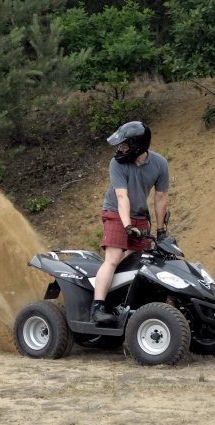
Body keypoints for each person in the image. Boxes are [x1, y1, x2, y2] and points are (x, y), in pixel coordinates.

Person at [91, 121, 169, 323]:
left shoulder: (160, 164)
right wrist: (127, 226)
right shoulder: (117, 163)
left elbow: (161, 198)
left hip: (140, 216)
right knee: (113, 258)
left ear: (138, 145)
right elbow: (121, 197)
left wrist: (161, 230)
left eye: (124, 144)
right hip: (116, 212)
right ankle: (98, 307)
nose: (121, 148)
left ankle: (124, 303)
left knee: (143, 262)